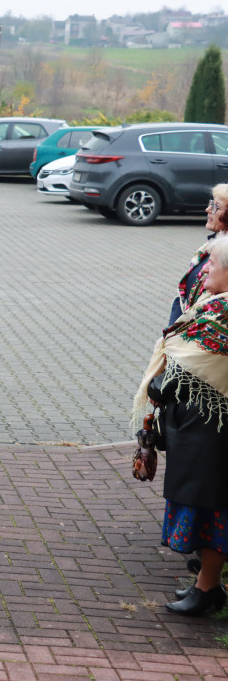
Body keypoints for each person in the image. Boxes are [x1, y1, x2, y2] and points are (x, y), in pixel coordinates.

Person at [135, 236, 228, 616]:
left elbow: (192, 360)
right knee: (206, 502)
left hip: (214, 430)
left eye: (214, 264)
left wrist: (169, 380)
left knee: (213, 506)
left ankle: (208, 589)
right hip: (202, 427)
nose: (205, 269)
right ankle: (208, 584)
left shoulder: (223, 313)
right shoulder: (214, 306)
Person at [170, 186, 228, 325]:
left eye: (215, 206)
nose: (208, 210)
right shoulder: (210, 246)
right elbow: (183, 295)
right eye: (211, 203)